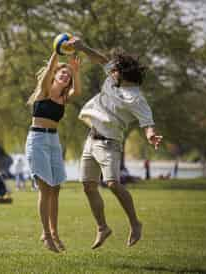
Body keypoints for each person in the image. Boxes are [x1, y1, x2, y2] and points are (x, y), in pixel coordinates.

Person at [69, 37, 163, 249]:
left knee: (112, 183)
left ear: (124, 74)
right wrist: (82, 47)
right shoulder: (113, 78)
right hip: (91, 139)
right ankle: (103, 228)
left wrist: (150, 135)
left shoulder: (137, 99)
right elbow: (101, 59)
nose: (111, 71)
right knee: (88, 186)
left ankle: (135, 223)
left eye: (116, 70)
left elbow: (147, 122)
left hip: (110, 143)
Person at [25, 48, 81, 253]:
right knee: (45, 188)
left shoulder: (64, 99)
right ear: (55, 75)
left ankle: (54, 232)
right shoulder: (43, 91)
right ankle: (46, 235)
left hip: (54, 141)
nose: (65, 76)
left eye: (68, 75)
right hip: (38, 139)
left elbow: (79, 91)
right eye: (62, 73)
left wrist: (75, 72)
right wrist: (56, 51)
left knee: (56, 187)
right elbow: (49, 69)